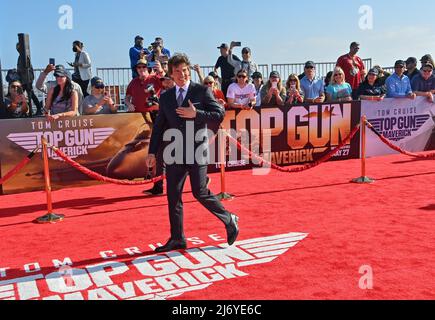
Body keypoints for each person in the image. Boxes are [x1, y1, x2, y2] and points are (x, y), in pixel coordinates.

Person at [145, 53, 239, 253]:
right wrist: (152, 152)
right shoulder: (166, 96)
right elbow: (159, 126)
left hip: (197, 150)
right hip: (174, 152)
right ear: (171, 74)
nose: (182, 75)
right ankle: (177, 239)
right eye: (177, 71)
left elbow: (219, 114)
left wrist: (197, 114)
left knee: (200, 192)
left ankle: (229, 218)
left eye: (185, 70)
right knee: (173, 197)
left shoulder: (201, 91)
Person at [107, 58, 165, 195]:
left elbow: (166, 81)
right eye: (139, 67)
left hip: (156, 117)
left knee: (159, 153)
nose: (141, 69)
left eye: (144, 66)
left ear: (148, 67)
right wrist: (128, 104)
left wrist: (161, 69)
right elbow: (127, 97)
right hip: (140, 119)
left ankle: (199, 177)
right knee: (152, 153)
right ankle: (156, 184)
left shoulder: (155, 79)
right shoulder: (133, 83)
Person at [15, 42, 43, 116]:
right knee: (25, 95)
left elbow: (26, 68)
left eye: (18, 47)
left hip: (27, 79)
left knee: (29, 94)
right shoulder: (21, 56)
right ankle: (27, 110)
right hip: (24, 79)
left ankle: (36, 109)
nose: (17, 49)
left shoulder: (24, 56)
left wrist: (19, 72)